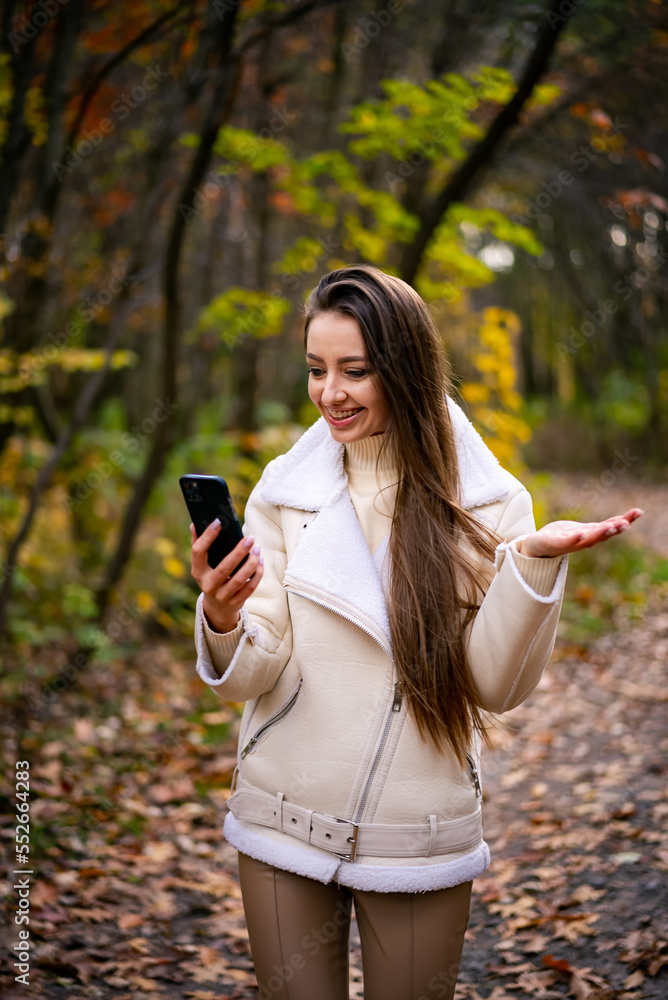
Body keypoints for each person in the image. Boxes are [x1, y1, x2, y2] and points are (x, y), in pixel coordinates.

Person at [189, 264, 643, 1000]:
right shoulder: (285, 492)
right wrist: (222, 613)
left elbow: (495, 686)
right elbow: (251, 672)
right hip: (280, 814)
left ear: (404, 370)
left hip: (418, 829)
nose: (329, 394)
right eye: (315, 370)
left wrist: (528, 566)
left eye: (355, 371)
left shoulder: (489, 504)